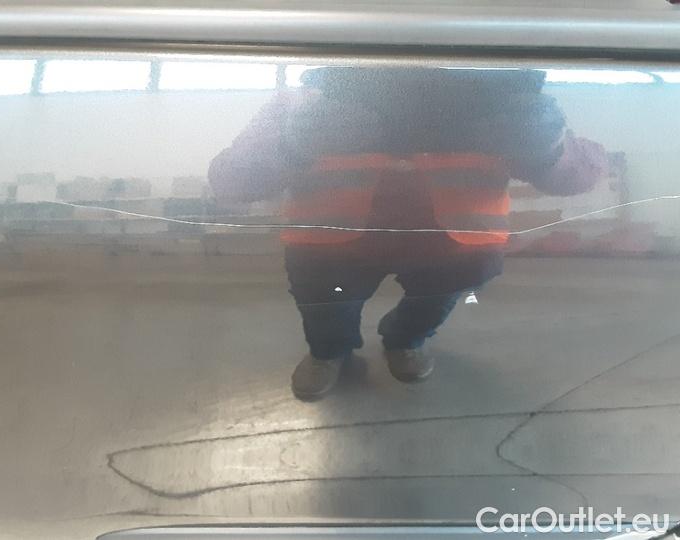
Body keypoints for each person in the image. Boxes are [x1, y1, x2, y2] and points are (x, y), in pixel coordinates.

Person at [209, 67, 609, 400]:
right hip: (332, 251)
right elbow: (229, 182)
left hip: (453, 251)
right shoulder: (305, 100)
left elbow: (582, 176)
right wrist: (293, 145)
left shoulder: (500, 93)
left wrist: (549, 149)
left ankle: (404, 340)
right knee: (327, 310)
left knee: (427, 309)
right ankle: (329, 351)